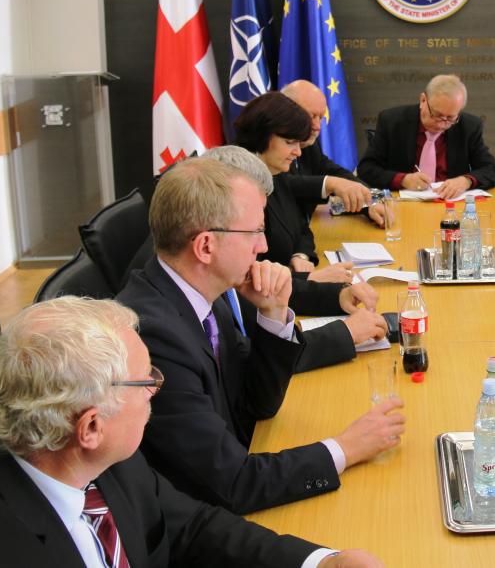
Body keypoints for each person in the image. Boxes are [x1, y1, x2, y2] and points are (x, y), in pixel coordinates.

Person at [0, 296, 381, 567]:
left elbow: (191, 525)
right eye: (146, 380)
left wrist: (320, 563)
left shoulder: (90, 455)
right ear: (90, 425)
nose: (157, 388)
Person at [116, 157, 405, 514]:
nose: (264, 246)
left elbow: (257, 404)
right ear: (206, 246)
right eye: (254, 232)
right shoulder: (153, 338)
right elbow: (232, 485)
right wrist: (345, 449)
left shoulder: (206, 293)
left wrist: (273, 313)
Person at [202, 145, 387, 370]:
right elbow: (249, 362)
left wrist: (337, 296)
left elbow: (269, 290)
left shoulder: (218, 266)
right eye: (254, 231)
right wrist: (345, 333)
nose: (263, 245)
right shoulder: (185, 306)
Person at [234, 92, 356, 284]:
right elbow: (247, 280)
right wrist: (311, 279)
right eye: (290, 142)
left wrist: (301, 255)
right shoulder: (237, 189)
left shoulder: (277, 175)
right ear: (261, 136)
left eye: (299, 143)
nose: (298, 152)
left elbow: (301, 228)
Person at [356, 74, 495, 200]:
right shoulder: (392, 121)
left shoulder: (469, 126)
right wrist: (403, 179)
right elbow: (366, 169)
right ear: (423, 100)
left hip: (450, 205)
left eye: (450, 118)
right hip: (402, 204)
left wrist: (466, 181)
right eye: (437, 115)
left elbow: (492, 171)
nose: (441, 125)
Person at [282, 79, 386, 227]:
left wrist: (370, 201)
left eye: (320, 117)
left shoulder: (308, 141)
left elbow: (331, 170)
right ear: (286, 110)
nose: (317, 126)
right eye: (311, 116)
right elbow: (280, 184)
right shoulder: (264, 144)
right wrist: (330, 183)